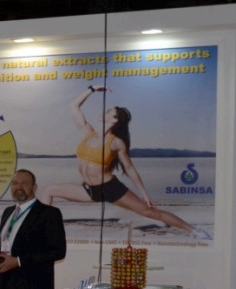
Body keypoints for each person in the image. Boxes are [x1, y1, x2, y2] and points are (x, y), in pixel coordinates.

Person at [40, 85, 208, 239]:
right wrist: (92, 89)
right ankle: (41, 229)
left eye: (108, 112)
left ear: (115, 120)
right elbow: (73, 106)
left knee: (150, 212)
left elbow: (129, 168)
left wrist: (144, 194)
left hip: (110, 188)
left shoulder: (116, 143)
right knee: (48, 190)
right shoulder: (87, 132)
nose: (104, 112)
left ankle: (194, 230)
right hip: (89, 190)